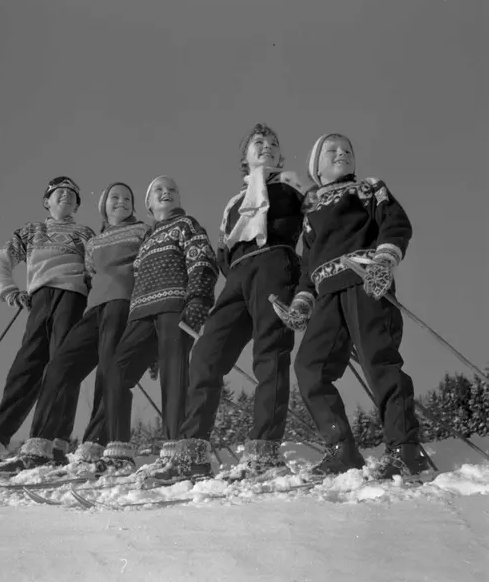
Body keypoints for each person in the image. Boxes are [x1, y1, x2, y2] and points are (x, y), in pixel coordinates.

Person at [143, 123, 315, 483]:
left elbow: (318, 226)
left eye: (273, 143)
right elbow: (224, 247)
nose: (267, 147)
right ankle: (192, 453)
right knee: (206, 354)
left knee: (270, 354)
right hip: (238, 275)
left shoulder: (293, 185)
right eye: (258, 143)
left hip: (275, 262)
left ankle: (264, 452)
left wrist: (303, 282)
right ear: (245, 157)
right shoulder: (234, 202)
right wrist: (237, 278)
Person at [284, 133, 427, 479]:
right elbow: (308, 264)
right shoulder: (311, 211)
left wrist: (384, 260)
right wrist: (302, 301)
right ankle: (342, 450)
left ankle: (405, 449)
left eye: (347, 149)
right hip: (326, 296)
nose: (342, 153)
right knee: (309, 368)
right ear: (316, 168)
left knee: (379, 361)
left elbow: (395, 222)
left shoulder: (367, 188)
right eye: (331, 150)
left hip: (365, 281)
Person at [0, 183, 150, 472]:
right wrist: (13, 290)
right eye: (115, 197)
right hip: (87, 307)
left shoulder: (137, 231)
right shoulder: (91, 240)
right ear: (103, 205)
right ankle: (36, 447)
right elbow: (90, 274)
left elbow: (149, 267)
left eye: (128, 198)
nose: (122, 201)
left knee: (108, 372)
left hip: (114, 303)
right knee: (56, 367)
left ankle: (93, 447)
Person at [0, 177, 95, 474]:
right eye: (59, 192)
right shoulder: (31, 231)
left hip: (73, 298)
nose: (65, 196)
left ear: (77, 205)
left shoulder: (85, 233)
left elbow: (96, 267)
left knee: (63, 368)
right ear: (46, 201)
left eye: (72, 195)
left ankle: (55, 445)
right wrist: (9, 291)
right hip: (39, 299)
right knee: (25, 368)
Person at [92, 175, 219, 476]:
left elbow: (203, 260)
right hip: (140, 314)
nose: (166, 193)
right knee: (116, 370)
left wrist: (198, 300)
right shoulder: (147, 238)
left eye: (172, 189)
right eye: (158, 190)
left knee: (174, 376)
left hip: (174, 306)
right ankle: (119, 452)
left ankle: (178, 452)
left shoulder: (186, 224)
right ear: (148, 204)